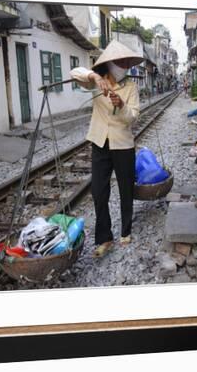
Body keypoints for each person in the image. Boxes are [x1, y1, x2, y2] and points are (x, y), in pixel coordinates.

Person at [70, 40, 143, 257]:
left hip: (123, 144)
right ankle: (104, 237)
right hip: (100, 142)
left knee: (125, 188)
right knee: (99, 191)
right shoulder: (96, 81)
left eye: (126, 63)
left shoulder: (130, 86)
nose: (124, 66)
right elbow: (75, 72)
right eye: (120, 62)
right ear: (110, 63)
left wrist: (121, 105)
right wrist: (94, 76)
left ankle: (126, 229)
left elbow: (133, 117)